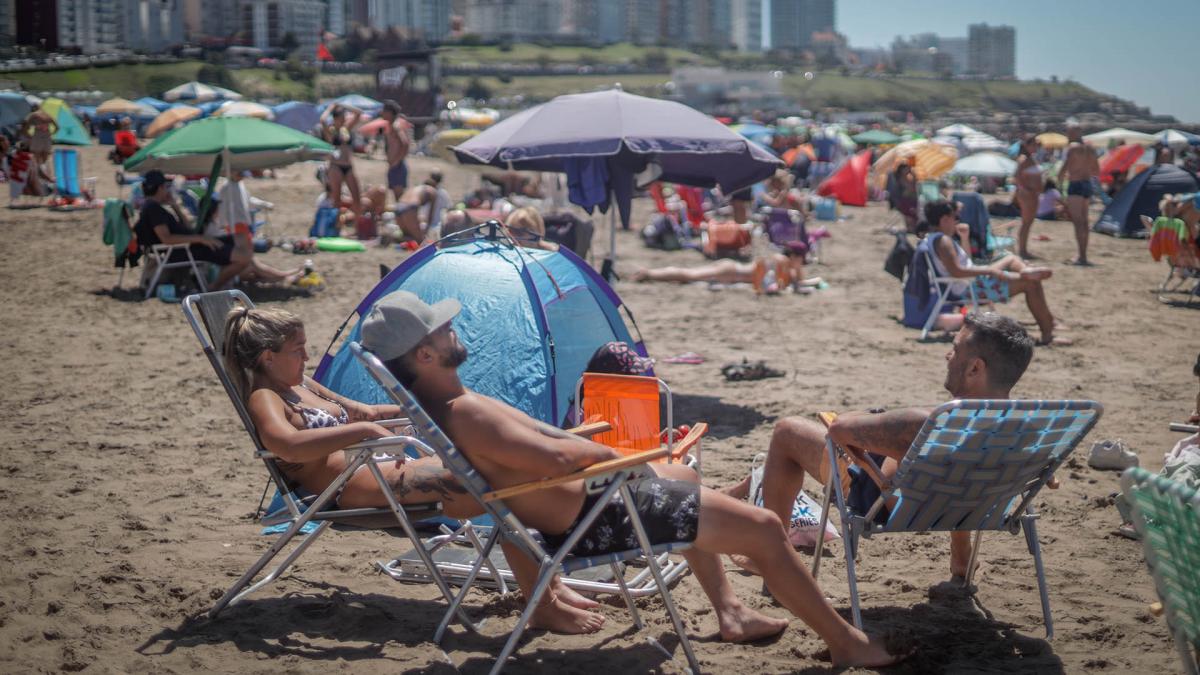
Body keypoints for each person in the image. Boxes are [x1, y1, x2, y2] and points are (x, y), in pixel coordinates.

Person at [361, 292, 905, 667]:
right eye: (443, 328)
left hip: (589, 504)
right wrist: (620, 457)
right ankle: (845, 642)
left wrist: (618, 454)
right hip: (601, 516)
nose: (454, 329)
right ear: (426, 353)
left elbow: (547, 447)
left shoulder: (453, 409)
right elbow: (557, 458)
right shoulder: (467, 413)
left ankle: (731, 611)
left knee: (679, 472)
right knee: (763, 525)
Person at [223, 306, 616, 635]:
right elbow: (283, 444)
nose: (307, 357)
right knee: (497, 482)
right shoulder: (265, 397)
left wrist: (427, 410)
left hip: (383, 465)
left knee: (500, 468)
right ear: (267, 358)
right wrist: (361, 432)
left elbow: (367, 412)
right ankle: (542, 602)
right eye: (298, 350)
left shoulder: (302, 386)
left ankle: (548, 588)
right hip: (352, 485)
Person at [724, 311, 1039, 580]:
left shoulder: (928, 422)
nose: (947, 355)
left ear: (975, 369)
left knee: (786, 431)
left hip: (887, 502)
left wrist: (878, 421)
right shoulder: (1027, 429)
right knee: (957, 469)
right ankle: (962, 555)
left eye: (955, 349)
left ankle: (769, 558)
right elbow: (1045, 476)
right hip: (970, 505)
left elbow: (839, 429)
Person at [924, 199, 1070, 346]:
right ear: (944, 219)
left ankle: (1025, 272)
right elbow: (956, 271)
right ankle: (1047, 335)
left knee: (1011, 259)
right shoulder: (944, 241)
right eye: (954, 218)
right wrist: (990, 270)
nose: (956, 222)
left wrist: (964, 239)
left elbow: (965, 263)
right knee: (1031, 284)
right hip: (969, 288)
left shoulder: (935, 239)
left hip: (966, 283)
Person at [136, 170, 300, 289]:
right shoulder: (153, 209)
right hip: (185, 250)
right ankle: (214, 286)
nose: (167, 189)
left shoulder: (156, 207)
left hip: (192, 245)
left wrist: (175, 206)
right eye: (165, 186)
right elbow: (167, 239)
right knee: (244, 257)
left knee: (242, 238)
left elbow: (187, 227)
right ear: (159, 188)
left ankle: (279, 276)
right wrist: (201, 239)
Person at [632, 252, 817, 295]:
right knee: (689, 275)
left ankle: (650, 273)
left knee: (688, 275)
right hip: (731, 272)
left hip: (731, 269)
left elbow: (798, 282)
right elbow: (763, 272)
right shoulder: (781, 261)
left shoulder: (785, 266)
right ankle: (649, 273)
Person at [1056, 124, 1101, 266]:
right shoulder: (1091, 149)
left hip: (1075, 185)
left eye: (1069, 132)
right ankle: (1083, 255)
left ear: (1074, 133)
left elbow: (1063, 170)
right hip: (1087, 184)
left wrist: (1059, 185)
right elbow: (1096, 171)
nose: (1067, 135)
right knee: (1085, 222)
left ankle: (1081, 256)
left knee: (1078, 222)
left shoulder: (1072, 148)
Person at [320, 106, 364, 219]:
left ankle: (357, 227)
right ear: (335, 118)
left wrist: (344, 105)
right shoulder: (331, 131)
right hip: (335, 166)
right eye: (341, 117)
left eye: (344, 117)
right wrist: (331, 107)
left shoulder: (346, 130)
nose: (344, 119)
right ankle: (336, 228)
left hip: (348, 166)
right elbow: (322, 120)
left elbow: (358, 113)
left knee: (357, 197)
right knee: (337, 200)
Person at [395, 172, 449, 243]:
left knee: (407, 234)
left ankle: (394, 239)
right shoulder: (432, 191)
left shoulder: (416, 188)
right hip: (410, 208)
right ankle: (395, 239)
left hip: (398, 206)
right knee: (420, 241)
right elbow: (431, 214)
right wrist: (427, 229)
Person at [1014, 136, 1044, 259]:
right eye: (1034, 144)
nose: (1036, 147)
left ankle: (1024, 249)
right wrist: (1027, 189)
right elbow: (1017, 177)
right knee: (1026, 222)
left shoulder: (1031, 159)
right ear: (1027, 145)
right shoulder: (1024, 159)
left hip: (1033, 194)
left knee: (1028, 222)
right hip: (1027, 194)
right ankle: (1022, 250)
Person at [379, 100, 412, 201]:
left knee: (400, 198)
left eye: (384, 111)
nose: (382, 113)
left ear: (389, 112)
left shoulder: (396, 126)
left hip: (398, 166)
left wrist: (397, 160)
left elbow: (405, 144)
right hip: (394, 166)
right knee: (396, 197)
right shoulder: (390, 126)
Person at [19, 103, 57, 171]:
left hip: (37, 137)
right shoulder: (47, 115)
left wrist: (29, 136)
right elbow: (57, 127)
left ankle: (38, 175)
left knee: (36, 160)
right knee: (44, 161)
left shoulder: (33, 115)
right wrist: (51, 134)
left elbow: (24, 126)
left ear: (33, 109)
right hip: (47, 138)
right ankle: (43, 172)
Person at [892, 163, 919, 232]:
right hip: (903, 202)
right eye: (906, 168)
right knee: (911, 209)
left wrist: (914, 176)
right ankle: (911, 226)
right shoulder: (900, 180)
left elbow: (913, 189)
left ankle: (912, 226)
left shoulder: (907, 179)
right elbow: (908, 191)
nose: (908, 169)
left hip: (909, 201)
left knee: (915, 205)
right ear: (902, 170)